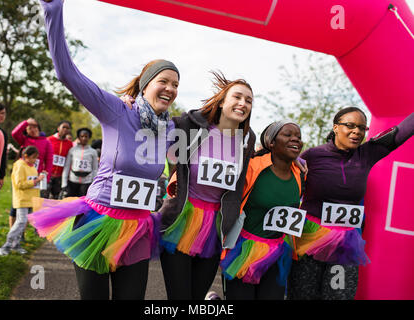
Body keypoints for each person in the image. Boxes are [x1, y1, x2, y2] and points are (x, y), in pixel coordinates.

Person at [28, 0, 180, 300]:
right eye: (164, 81)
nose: (171, 89)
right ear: (146, 85)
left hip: (136, 229)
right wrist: (53, 10)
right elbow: (66, 74)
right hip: (98, 223)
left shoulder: (171, 129)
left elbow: (212, 135)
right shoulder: (116, 110)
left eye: (176, 84)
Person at [287, 107, 414, 300]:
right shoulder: (312, 156)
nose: (357, 132)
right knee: (303, 295)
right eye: (350, 126)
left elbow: (402, 131)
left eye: (362, 128)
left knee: (339, 296)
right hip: (310, 239)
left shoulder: (367, 154)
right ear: (336, 127)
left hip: (345, 244)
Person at [158, 71, 256, 300]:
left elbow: (267, 154)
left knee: (196, 296)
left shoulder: (247, 140)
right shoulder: (189, 125)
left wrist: (299, 160)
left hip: (216, 226)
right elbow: (156, 125)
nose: (243, 103)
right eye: (237, 97)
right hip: (181, 220)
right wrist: (131, 105)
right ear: (222, 101)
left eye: (249, 100)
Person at [220, 121, 305, 300]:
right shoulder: (251, 166)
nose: (295, 139)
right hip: (245, 250)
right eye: (288, 135)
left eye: (298, 136)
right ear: (271, 143)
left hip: (277, 251)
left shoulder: (300, 172)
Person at [0, 146, 44, 256]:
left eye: (36, 158)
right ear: (26, 156)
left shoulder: (32, 167)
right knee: (21, 221)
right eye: (33, 158)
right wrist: (36, 181)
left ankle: (16, 244)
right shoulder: (19, 165)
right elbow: (19, 184)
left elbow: (32, 181)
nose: (34, 161)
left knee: (23, 223)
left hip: (30, 199)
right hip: (21, 199)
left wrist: (39, 180)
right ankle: (6, 245)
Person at [11, 118, 53, 227]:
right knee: (17, 207)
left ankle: (30, 230)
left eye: (35, 127)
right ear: (26, 130)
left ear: (39, 128)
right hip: (22, 176)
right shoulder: (24, 140)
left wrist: (46, 179)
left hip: (36, 179)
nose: (33, 129)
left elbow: (49, 160)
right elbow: (14, 133)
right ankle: (16, 233)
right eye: (29, 127)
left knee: (33, 207)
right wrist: (26, 122)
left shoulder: (46, 142)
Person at [61, 128, 98, 197]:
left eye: (86, 136)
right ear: (78, 137)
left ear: (89, 137)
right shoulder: (72, 150)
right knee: (71, 203)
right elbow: (67, 166)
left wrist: (93, 184)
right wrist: (64, 183)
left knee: (82, 204)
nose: (84, 138)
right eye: (82, 136)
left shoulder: (93, 152)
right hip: (72, 182)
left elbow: (95, 169)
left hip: (86, 183)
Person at [47, 120, 73, 199]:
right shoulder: (49, 140)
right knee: (44, 197)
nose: (65, 129)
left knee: (55, 198)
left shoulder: (69, 144)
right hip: (48, 174)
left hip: (60, 176)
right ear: (58, 128)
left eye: (68, 128)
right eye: (63, 127)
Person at [0, 103, 8, 190]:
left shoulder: (3, 134)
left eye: (3, 113)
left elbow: (2, 155)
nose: (0, 115)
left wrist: (1, 176)